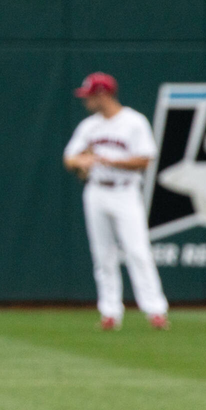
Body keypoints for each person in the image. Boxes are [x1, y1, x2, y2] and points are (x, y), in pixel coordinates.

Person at [63, 72, 170, 331]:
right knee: (103, 255)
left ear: (103, 94)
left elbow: (145, 159)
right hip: (96, 191)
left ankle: (155, 310)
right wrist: (82, 161)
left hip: (125, 191)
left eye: (89, 95)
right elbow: (69, 158)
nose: (86, 100)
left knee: (137, 252)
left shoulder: (133, 122)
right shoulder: (89, 126)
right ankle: (110, 312)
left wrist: (107, 160)